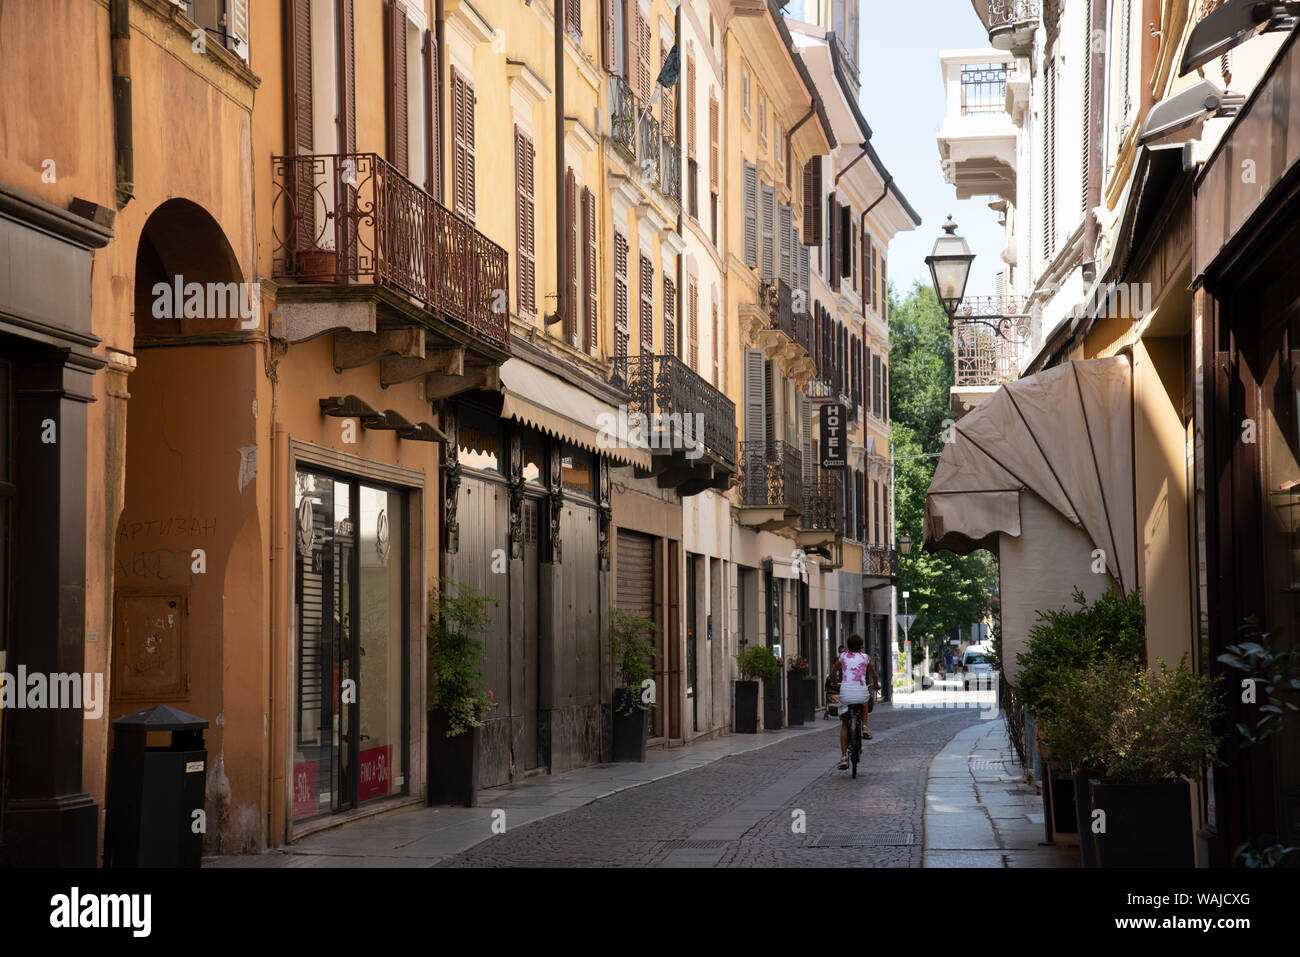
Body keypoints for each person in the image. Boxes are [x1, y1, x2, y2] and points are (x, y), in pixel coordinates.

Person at [830, 633, 880, 769]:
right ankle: (864, 726)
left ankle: (843, 757)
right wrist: (876, 685)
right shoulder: (865, 657)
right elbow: (874, 673)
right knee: (865, 701)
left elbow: (833, 671)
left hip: (845, 691)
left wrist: (835, 684)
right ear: (861, 646)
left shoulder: (842, 657)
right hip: (860, 690)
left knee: (845, 724)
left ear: (848, 646)